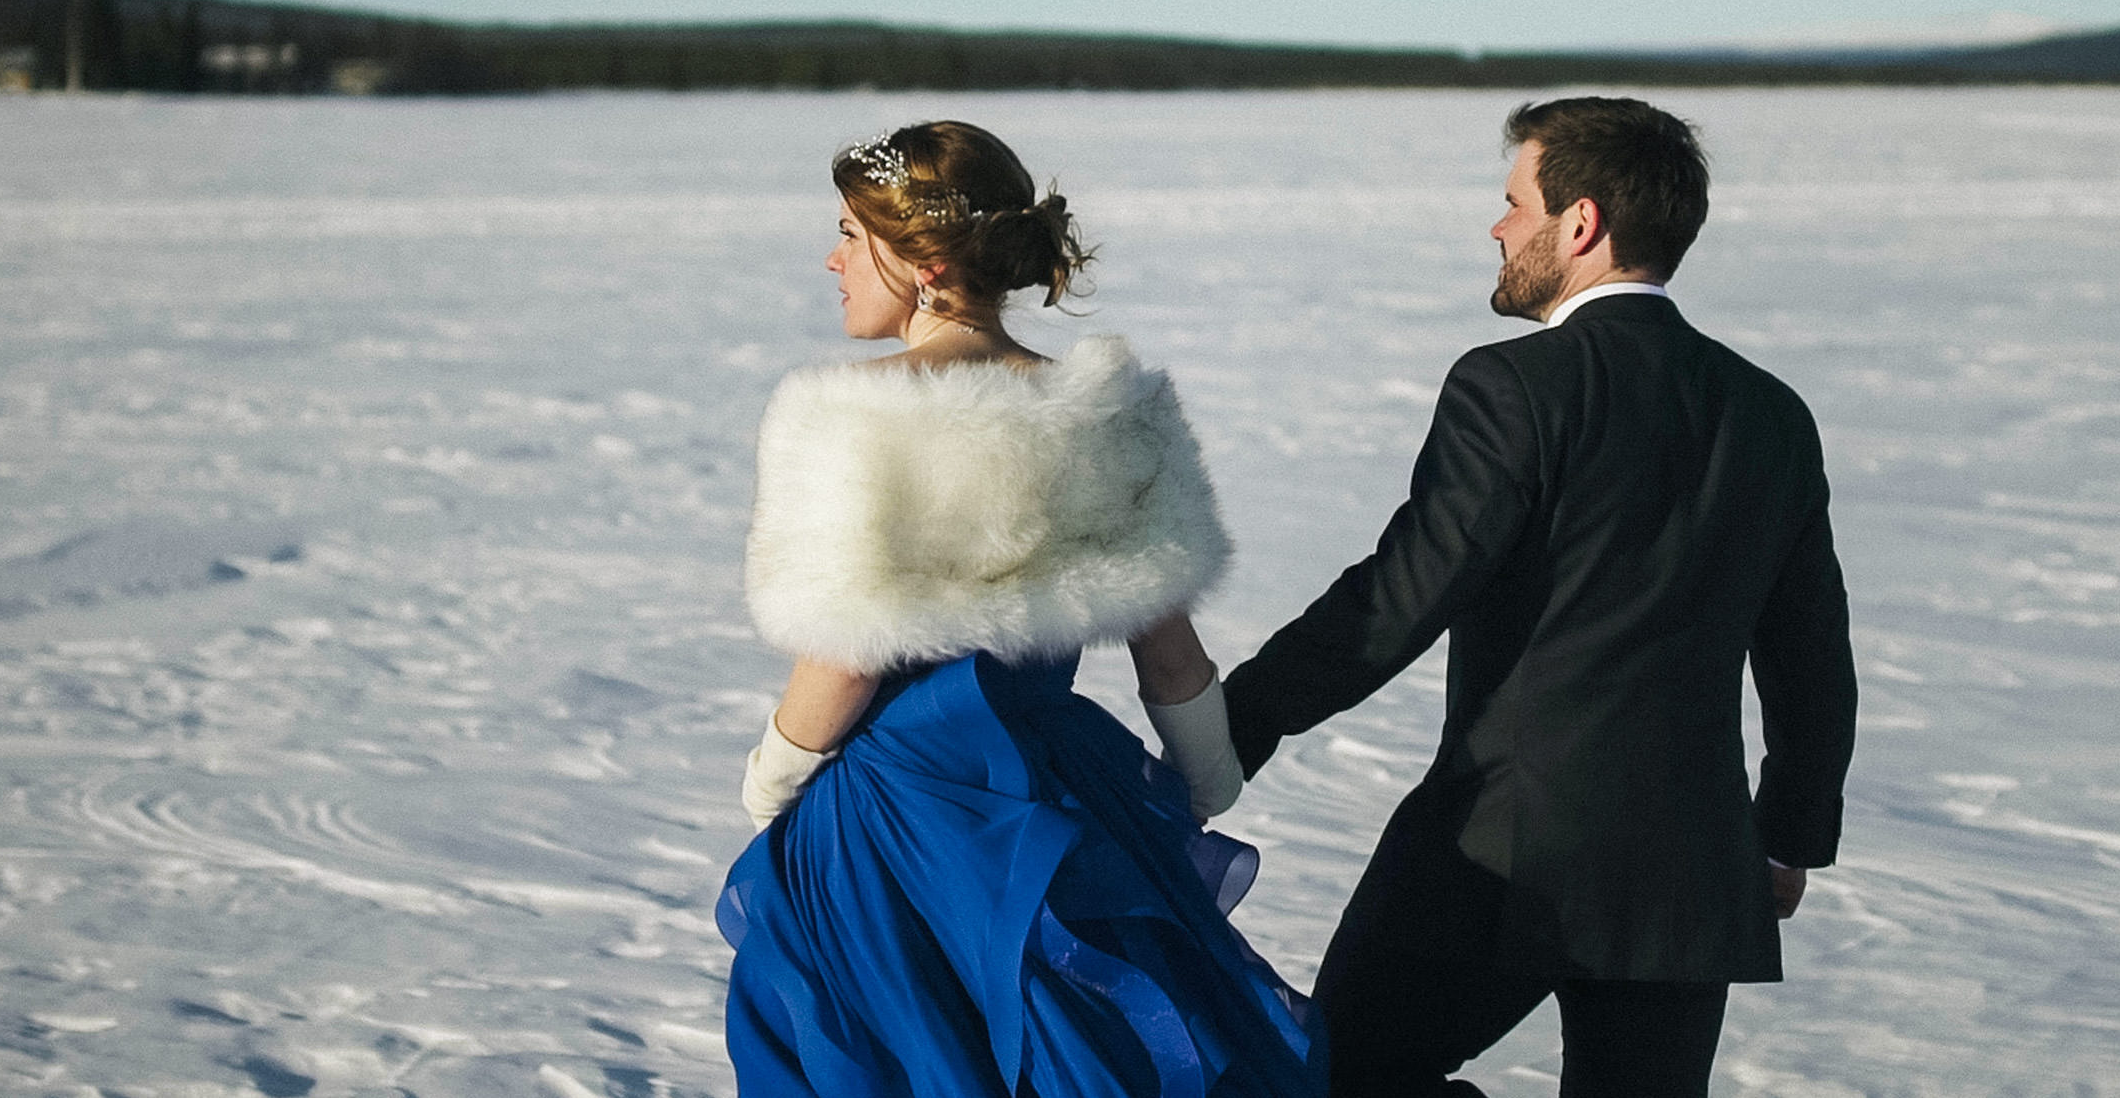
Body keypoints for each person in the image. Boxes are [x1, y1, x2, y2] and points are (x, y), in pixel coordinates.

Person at [1222, 97, 1858, 1098]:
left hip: (1502, 854)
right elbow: (1811, 656)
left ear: (1582, 224)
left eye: (1515, 202)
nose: (1498, 226)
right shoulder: (1770, 414)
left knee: (1332, 1080)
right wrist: (1784, 834)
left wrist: (1229, 730)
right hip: (1690, 873)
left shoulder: (1516, 387)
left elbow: (1400, 597)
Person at [715, 121, 1325, 1097]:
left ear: (925, 262)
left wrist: (773, 783)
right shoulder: (1104, 410)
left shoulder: (851, 418)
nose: (831, 259)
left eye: (846, 233)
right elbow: (1169, 651)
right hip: (1062, 788)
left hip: (895, 815)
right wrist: (1203, 780)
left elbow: (845, 660)